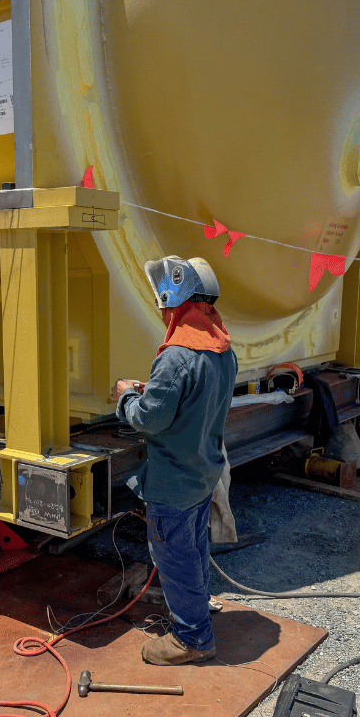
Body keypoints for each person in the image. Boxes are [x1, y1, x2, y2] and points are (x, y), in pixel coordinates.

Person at [112, 255, 237, 666]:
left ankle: (192, 638)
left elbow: (149, 419)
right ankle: (198, 609)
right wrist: (159, 390)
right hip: (203, 473)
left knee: (175, 557)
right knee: (195, 548)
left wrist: (127, 395)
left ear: (175, 301)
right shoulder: (222, 349)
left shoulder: (176, 356)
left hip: (174, 482)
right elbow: (195, 398)